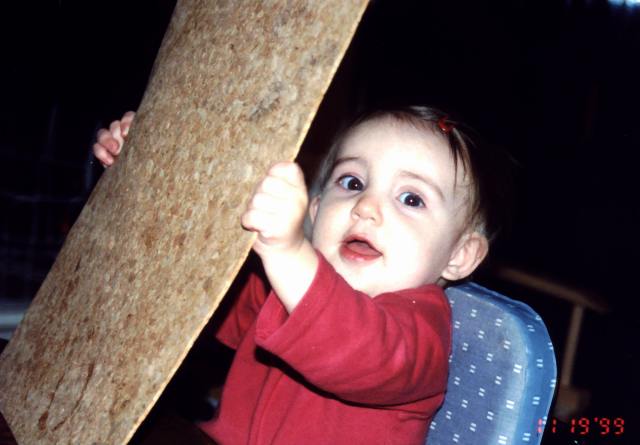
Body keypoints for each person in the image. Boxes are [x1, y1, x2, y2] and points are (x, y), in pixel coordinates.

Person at [94, 106, 500, 444]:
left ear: (459, 255)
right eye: (352, 182)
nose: (365, 206)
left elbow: (356, 347)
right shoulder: (281, 286)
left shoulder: (420, 332)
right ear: (316, 211)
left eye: (411, 199)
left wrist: (288, 253)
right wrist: (155, 177)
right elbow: (195, 289)